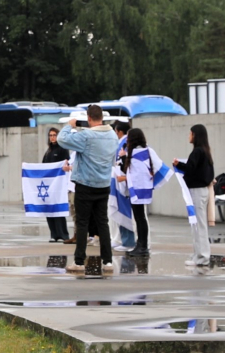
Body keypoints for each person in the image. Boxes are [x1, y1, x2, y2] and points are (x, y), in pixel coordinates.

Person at [57, 105, 119, 278]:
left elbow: (62, 140)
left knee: (82, 222)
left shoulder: (87, 135)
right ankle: (107, 261)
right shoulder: (113, 136)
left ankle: (79, 261)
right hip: (103, 184)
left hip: (85, 184)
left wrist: (71, 125)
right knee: (102, 222)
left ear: (89, 118)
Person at [174, 123, 216, 267]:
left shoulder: (197, 152)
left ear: (195, 135)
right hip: (201, 190)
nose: (188, 136)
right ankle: (198, 254)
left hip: (197, 191)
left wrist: (178, 164)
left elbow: (190, 169)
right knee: (197, 224)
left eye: (190, 133)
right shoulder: (205, 151)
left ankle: (202, 257)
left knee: (199, 225)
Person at [119, 127, 158, 256]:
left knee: (140, 218)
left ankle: (142, 246)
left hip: (136, 189)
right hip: (144, 188)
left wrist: (123, 158)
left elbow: (128, 170)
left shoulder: (134, 153)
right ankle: (141, 244)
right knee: (141, 218)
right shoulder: (147, 151)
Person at [41, 126, 72, 243]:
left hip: (58, 185)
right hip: (48, 185)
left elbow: (66, 163)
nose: (52, 138)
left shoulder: (62, 149)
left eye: (54, 135)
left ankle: (63, 234)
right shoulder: (48, 151)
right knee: (49, 210)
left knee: (58, 209)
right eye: (50, 135)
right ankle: (53, 234)